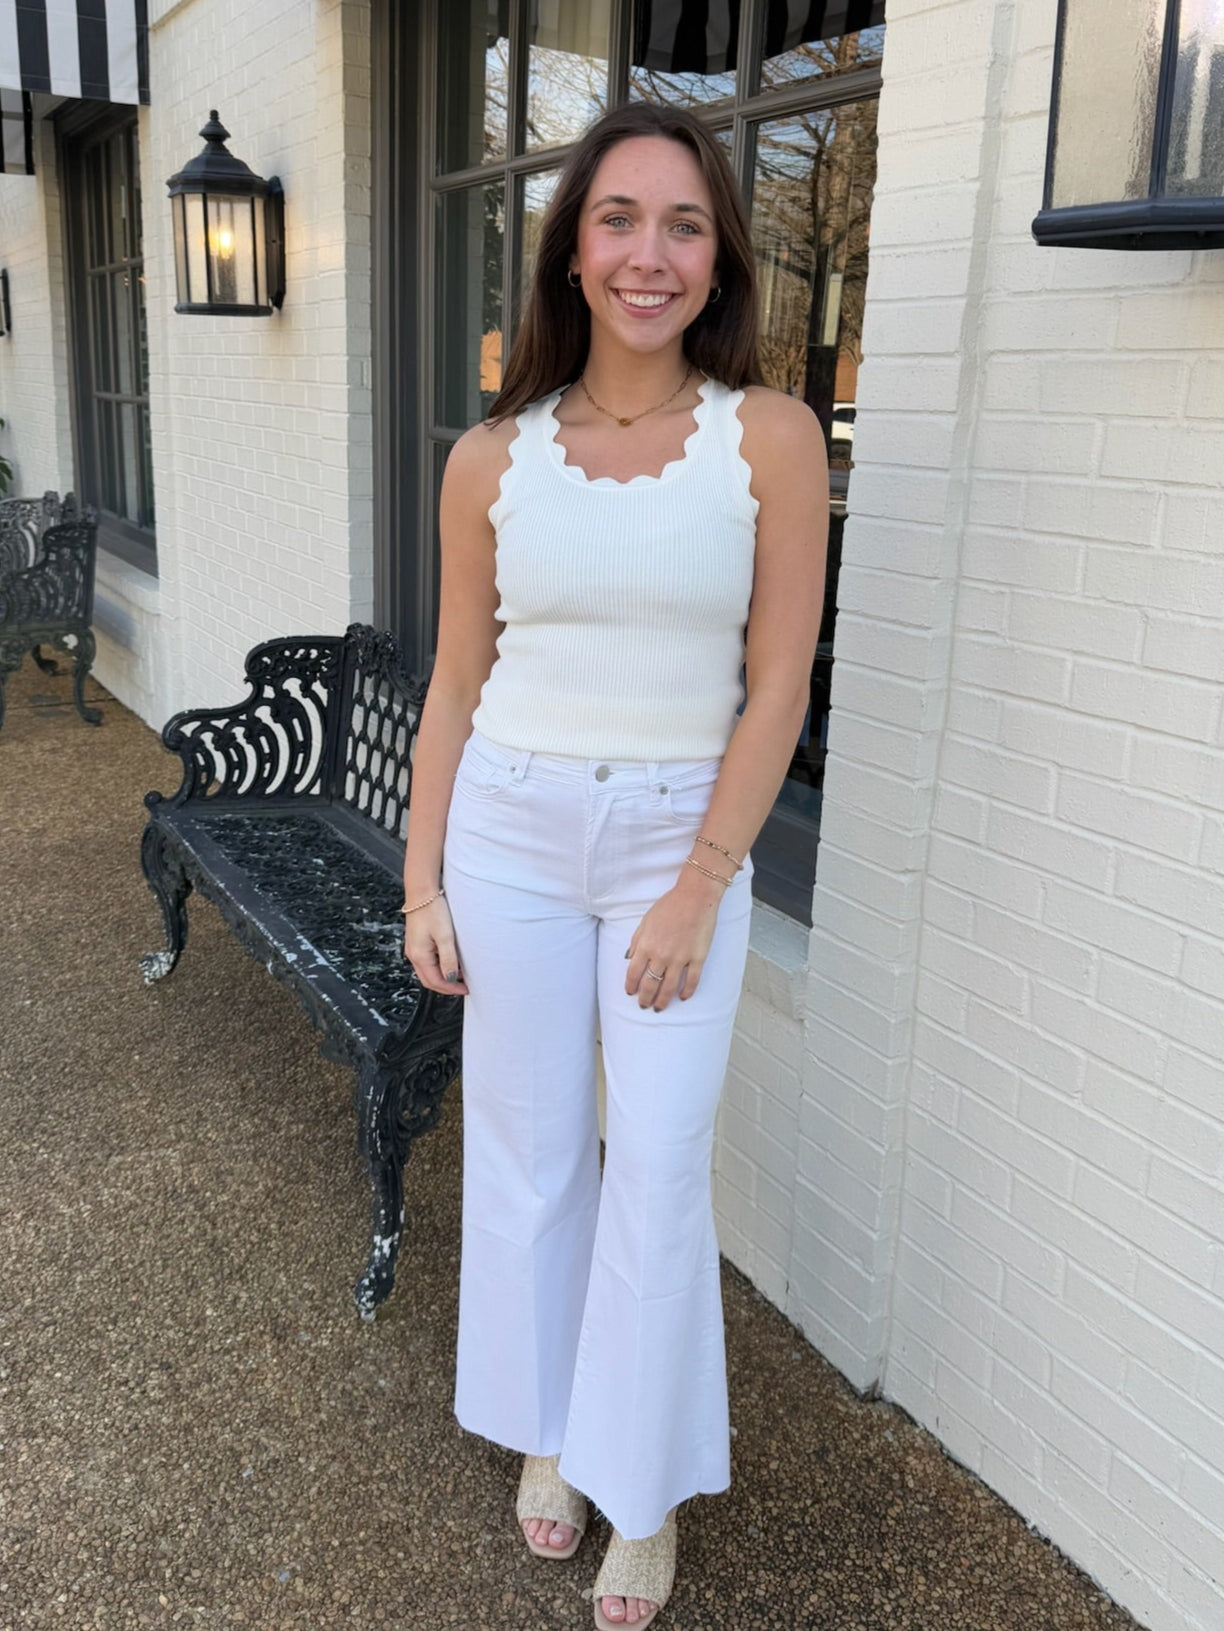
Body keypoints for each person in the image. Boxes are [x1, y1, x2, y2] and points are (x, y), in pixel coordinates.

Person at [402, 100, 828, 1631]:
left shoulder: (768, 439)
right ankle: (550, 1428)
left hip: (675, 839)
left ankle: (641, 1494)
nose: (650, 254)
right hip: (508, 829)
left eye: (685, 225)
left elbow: (776, 686)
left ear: (716, 263)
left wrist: (706, 879)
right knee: (524, 1153)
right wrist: (423, 881)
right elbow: (455, 681)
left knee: (652, 1165)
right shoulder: (492, 457)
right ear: (572, 253)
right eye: (619, 221)